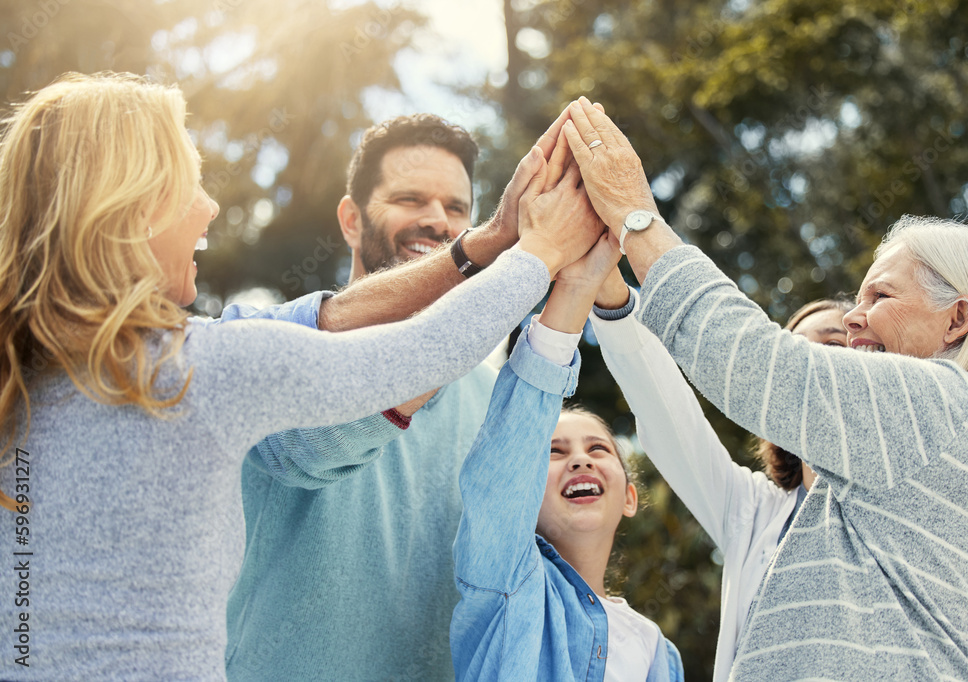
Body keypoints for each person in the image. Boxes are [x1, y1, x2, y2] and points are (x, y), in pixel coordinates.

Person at [0, 73, 601, 680]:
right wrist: (540, 248)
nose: (209, 205)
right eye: (187, 184)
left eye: (455, 207)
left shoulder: (19, 390)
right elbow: (426, 348)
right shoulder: (202, 371)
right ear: (127, 207)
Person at [562, 96, 968, 679]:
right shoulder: (801, 507)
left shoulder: (940, 403)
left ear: (957, 319)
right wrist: (610, 297)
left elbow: (750, 358)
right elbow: (675, 420)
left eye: (881, 297)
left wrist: (634, 214)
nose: (850, 321)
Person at [224, 112, 581, 680]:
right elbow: (312, 445)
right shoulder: (268, 347)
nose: (438, 222)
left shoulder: (499, 400)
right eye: (410, 199)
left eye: (457, 209)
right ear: (350, 218)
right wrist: (493, 252)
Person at [450, 212, 684, 681]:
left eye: (599, 449)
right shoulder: (506, 586)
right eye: (553, 453)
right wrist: (578, 287)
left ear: (630, 497)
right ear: (526, 492)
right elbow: (504, 468)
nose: (579, 457)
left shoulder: (658, 653)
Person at [589, 286, 851, 681]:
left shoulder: (917, 499)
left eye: (834, 343)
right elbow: (666, 410)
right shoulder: (753, 511)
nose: (808, 359)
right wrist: (607, 289)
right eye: (793, 348)